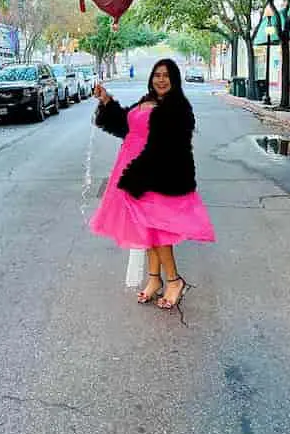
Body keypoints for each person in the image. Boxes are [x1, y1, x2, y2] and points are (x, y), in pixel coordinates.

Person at [90, 58, 215, 309]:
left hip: (154, 171)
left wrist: (141, 172)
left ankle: (174, 280)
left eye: (166, 75)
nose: (161, 79)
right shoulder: (146, 100)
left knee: (158, 228)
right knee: (143, 227)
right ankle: (154, 279)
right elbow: (125, 124)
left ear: (174, 79)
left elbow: (171, 148)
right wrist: (106, 101)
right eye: (157, 75)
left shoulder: (178, 107)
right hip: (132, 166)